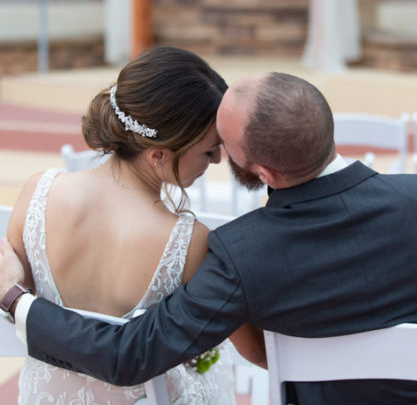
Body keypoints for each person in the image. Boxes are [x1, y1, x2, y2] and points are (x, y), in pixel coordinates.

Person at [1, 71, 417, 404]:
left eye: (223, 145)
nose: (218, 152)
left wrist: (14, 300)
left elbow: (130, 354)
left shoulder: (244, 251)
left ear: (262, 172)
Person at [0, 46, 266, 405]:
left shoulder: (37, 193)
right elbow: (256, 350)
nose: (219, 158)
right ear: (158, 154)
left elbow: (21, 312)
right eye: (208, 150)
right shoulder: (190, 241)